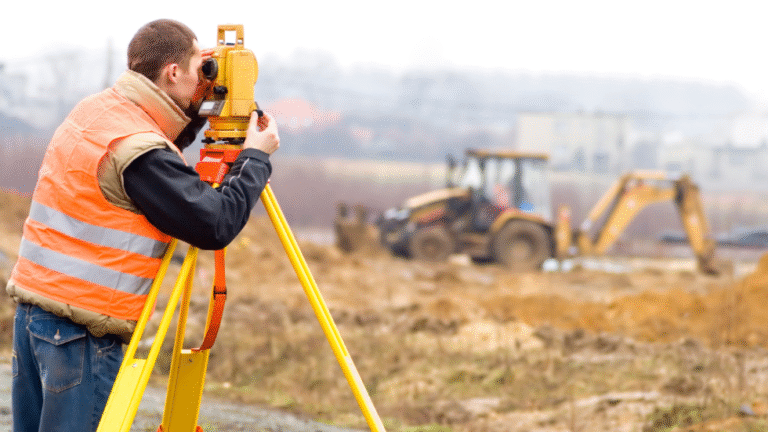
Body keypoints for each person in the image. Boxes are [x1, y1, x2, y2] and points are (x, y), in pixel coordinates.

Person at [5, 19, 280, 432]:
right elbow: (215, 224)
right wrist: (255, 157)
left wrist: (198, 105)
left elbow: (157, 149)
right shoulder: (139, 151)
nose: (203, 77)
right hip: (80, 336)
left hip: (36, 319)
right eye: (197, 67)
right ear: (173, 73)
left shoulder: (99, 111)